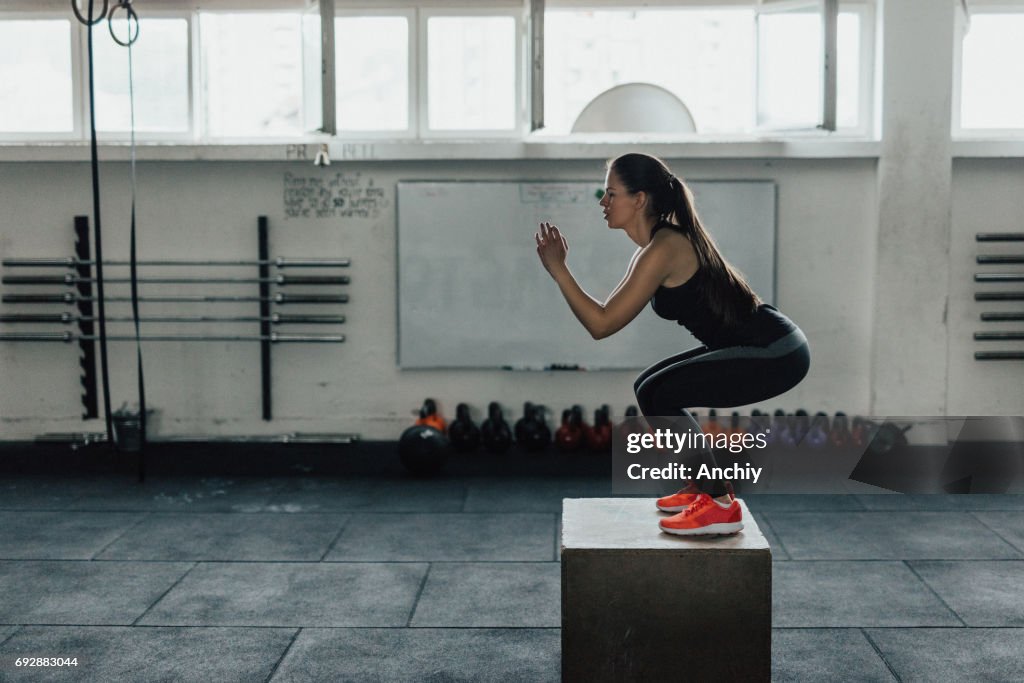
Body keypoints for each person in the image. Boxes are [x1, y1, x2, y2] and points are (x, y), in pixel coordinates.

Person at [535, 152, 809, 536]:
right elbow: (604, 314)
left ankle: (717, 504)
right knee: (650, 387)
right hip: (767, 346)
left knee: (658, 394)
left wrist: (559, 270)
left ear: (640, 199)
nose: (603, 202)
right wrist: (560, 270)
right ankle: (706, 489)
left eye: (611, 194)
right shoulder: (652, 249)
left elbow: (601, 325)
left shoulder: (665, 248)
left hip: (776, 352)